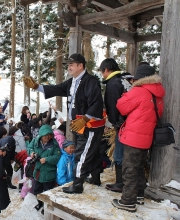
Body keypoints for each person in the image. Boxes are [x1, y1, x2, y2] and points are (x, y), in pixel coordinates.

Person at [23, 53, 105, 194]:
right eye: (68, 65)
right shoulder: (72, 81)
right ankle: (96, 178)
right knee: (94, 152)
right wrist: (36, 86)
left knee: (81, 155)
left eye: (71, 64)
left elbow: (97, 103)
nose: (69, 67)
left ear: (81, 65)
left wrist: (85, 118)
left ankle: (78, 185)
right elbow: (56, 88)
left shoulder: (91, 81)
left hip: (90, 126)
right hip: (79, 126)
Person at [111, 64, 165, 212]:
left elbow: (121, 106)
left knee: (129, 169)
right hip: (147, 138)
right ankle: (139, 195)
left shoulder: (139, 91)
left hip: (134, 137)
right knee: (140, 167)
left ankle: (127, 201)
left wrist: (125, 95)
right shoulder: (157, 94)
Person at [99, 58, 132, 192]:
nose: (102, 75)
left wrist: (115, 123)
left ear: (106, 70)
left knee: (119, 153)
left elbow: (113, 106)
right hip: (132, 121)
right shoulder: (124, 80)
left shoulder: (113, 83)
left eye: (102, 72)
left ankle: (120, 183)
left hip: (123, 123)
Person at [27, 125, 61, 213]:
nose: (48, 138)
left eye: (49, 135)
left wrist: (47, 159)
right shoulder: (35, 141)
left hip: (48, 172)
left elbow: (57, 156)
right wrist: (31, 153)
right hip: (38, 171)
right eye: (45, 136)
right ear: (41, 135)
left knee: (48, 192)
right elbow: (29, 148)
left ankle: (46, 208)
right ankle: (40, 203)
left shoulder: (54, 144)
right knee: (37, 190)